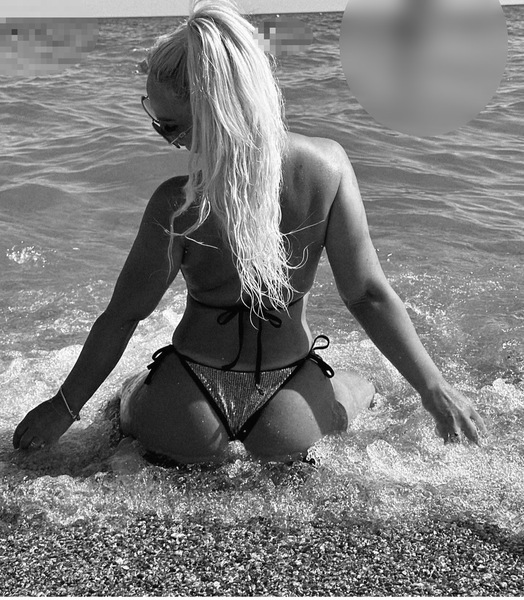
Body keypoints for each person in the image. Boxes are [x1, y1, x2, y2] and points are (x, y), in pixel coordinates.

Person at [13, 0, 486, 464]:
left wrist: (63, 408)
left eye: (171, 126)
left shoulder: (177, 203)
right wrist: (433, 388)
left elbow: (123, 316)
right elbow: (366, 294)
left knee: (126, 394)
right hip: (290, 409)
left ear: (215, 111)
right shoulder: (328, 168)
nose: (169, 140)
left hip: (185, 405)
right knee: (364, 387)